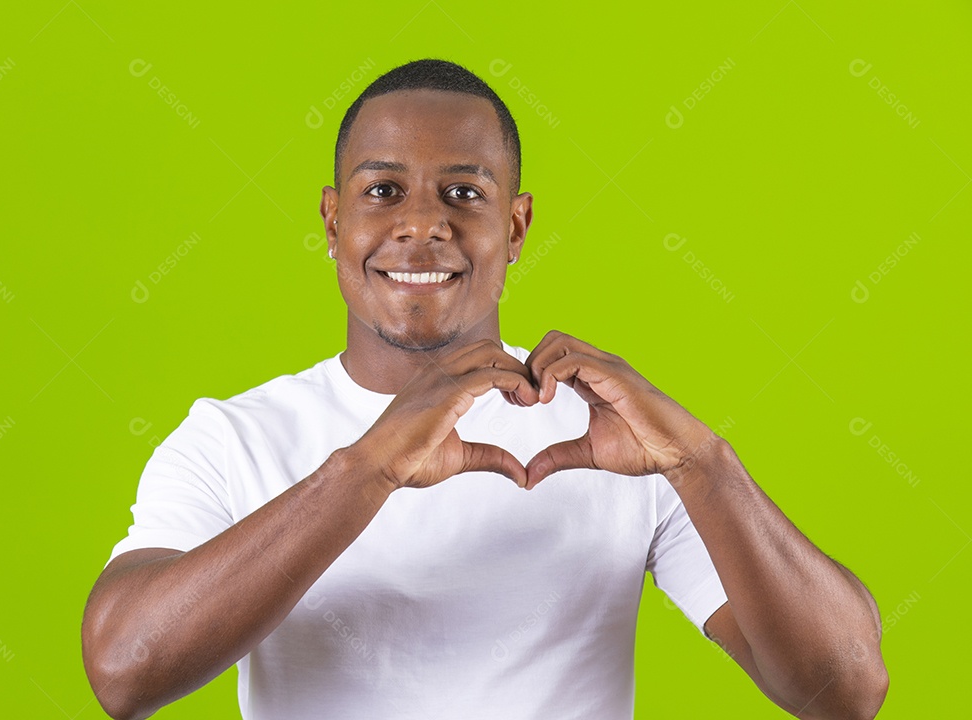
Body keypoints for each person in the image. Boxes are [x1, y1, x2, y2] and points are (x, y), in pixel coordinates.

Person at [81, 59, 888, 720]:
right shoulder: (233, 439)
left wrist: (706, 466)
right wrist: (364, 471)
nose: (423, 224)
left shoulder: (619, 440)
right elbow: (123, 671)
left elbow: (845, 690)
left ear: (516, 227)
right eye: (382, 190)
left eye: (464, 193)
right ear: (333, 223)